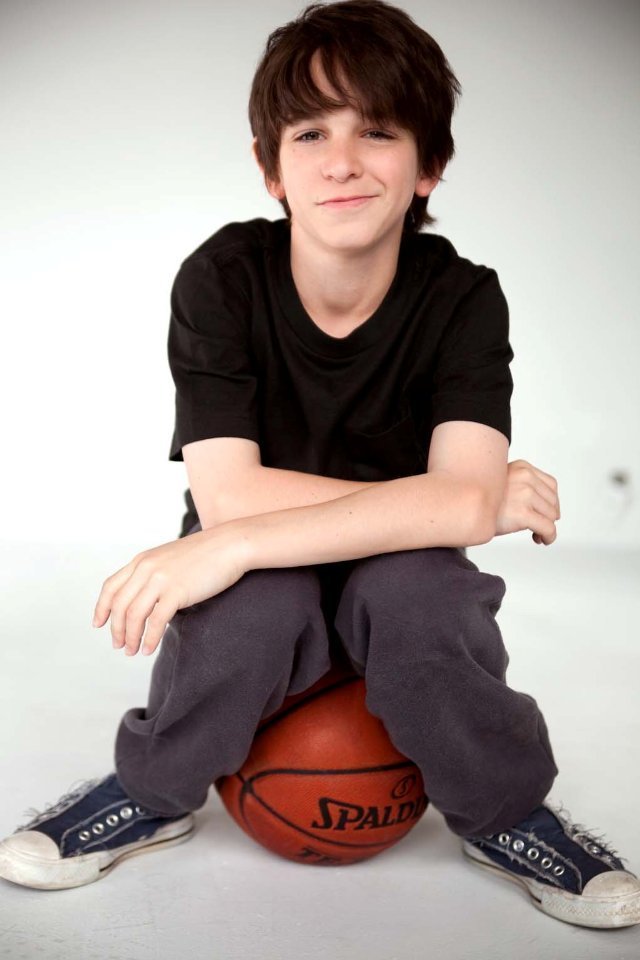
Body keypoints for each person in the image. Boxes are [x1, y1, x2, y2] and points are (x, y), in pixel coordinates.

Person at [1, 0, 637, 930]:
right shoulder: (222, 279)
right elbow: (233, 498)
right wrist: (451, 504)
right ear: (271, 168)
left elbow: (452, 508)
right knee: (247, 610)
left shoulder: (463, 298)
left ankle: (504, 810)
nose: (341, 161)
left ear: (429, 165)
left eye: (377, 130)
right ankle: (154, 791)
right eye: (309, 133)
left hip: (398, 563)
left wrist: (451, 510)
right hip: (262, 548)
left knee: (420, 601)